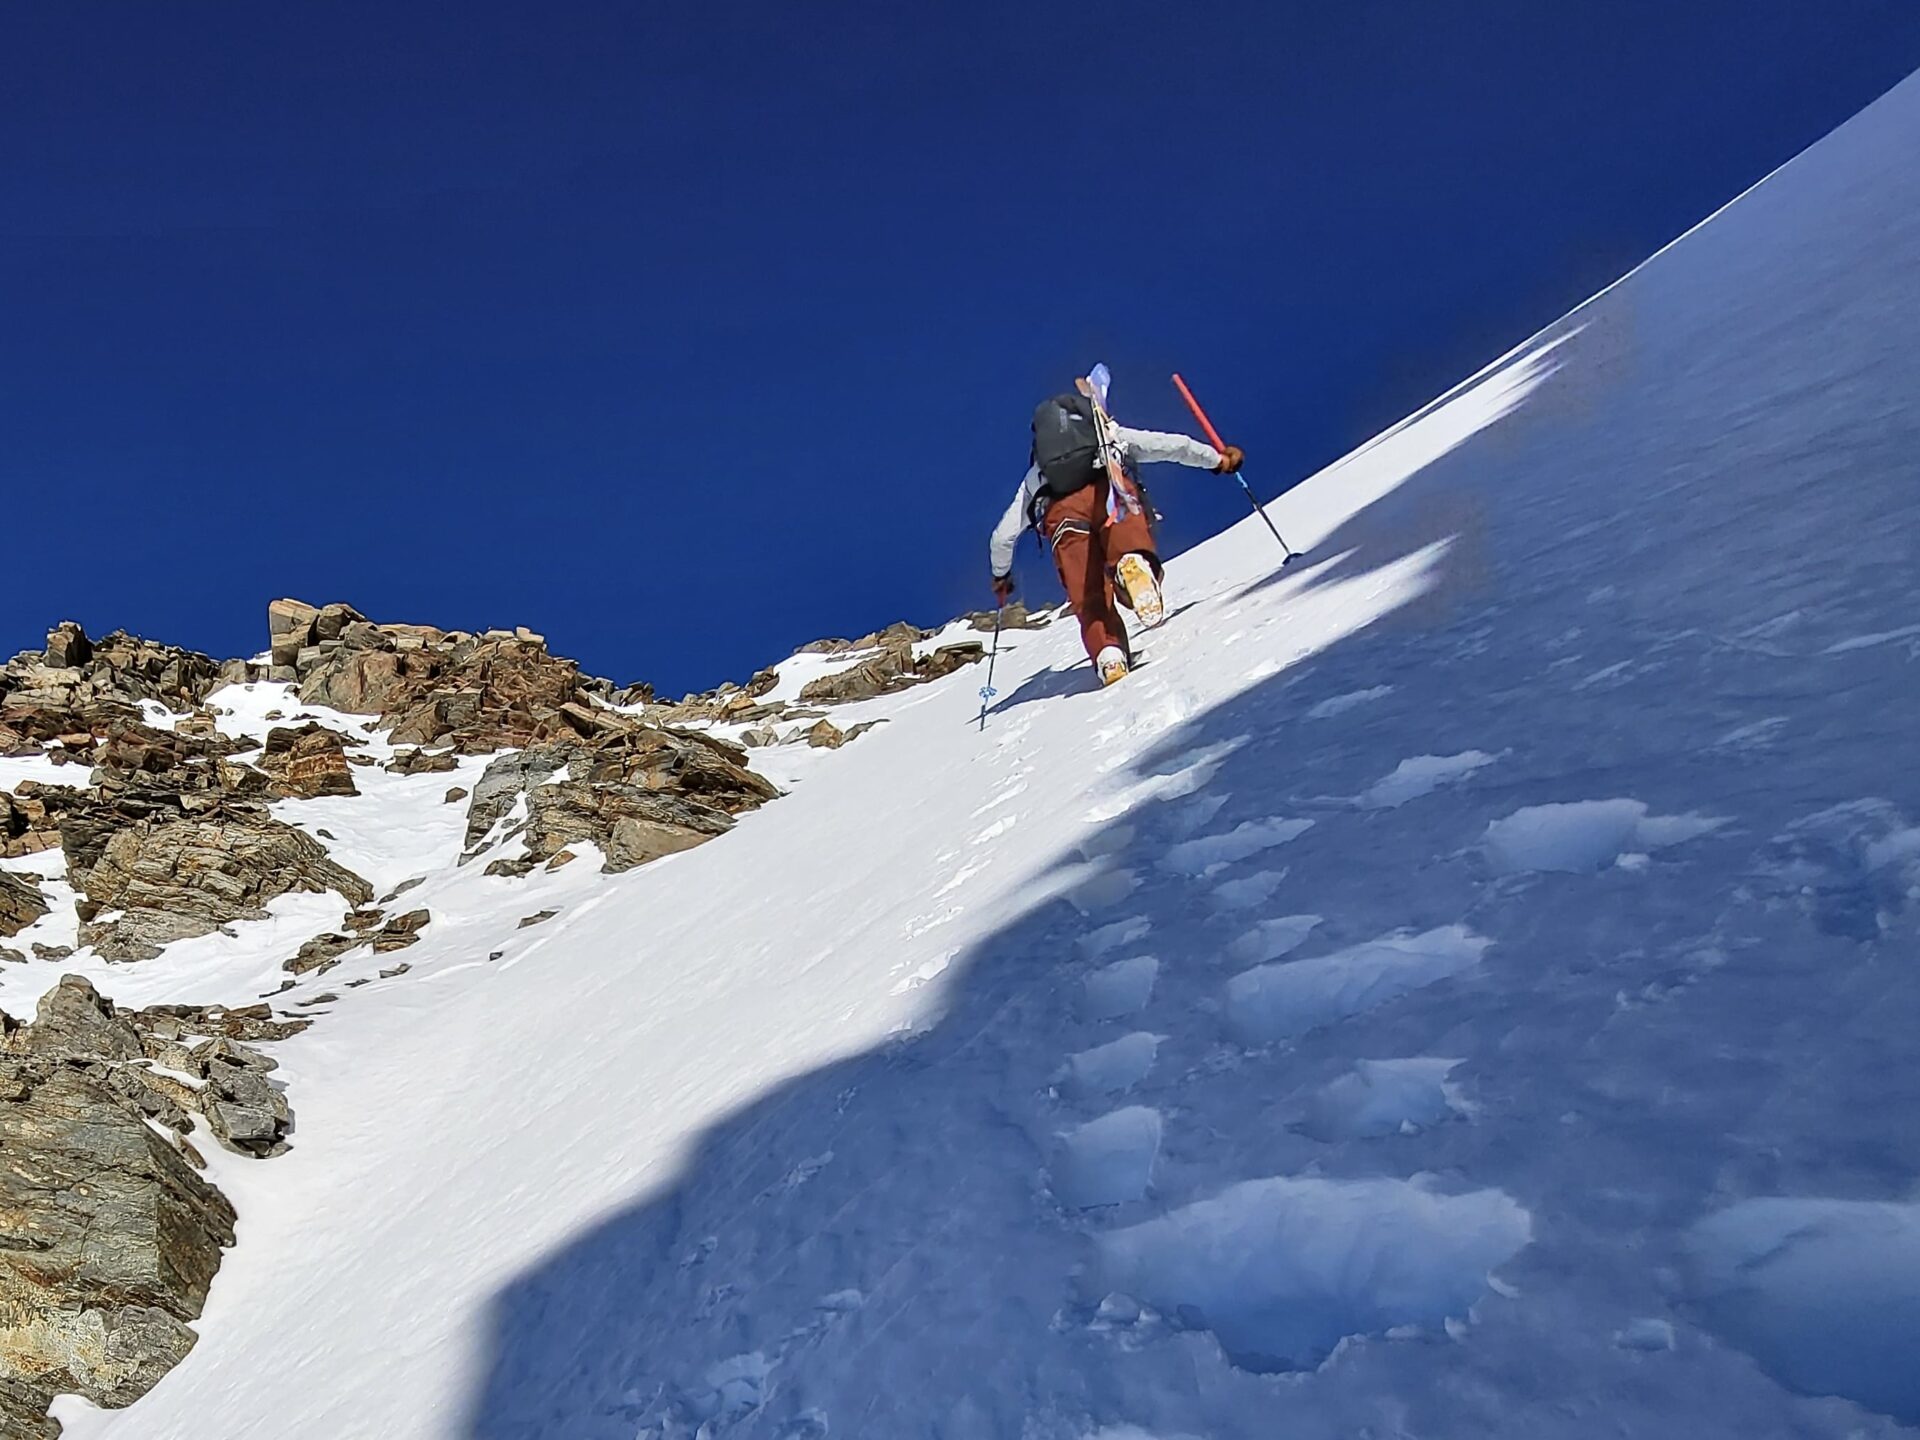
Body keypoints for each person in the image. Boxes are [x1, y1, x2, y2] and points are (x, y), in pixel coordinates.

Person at [988, 375, 1243, 686]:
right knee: (1126, 544)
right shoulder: (1110, 436)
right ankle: (1132, 565)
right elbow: (1174, 446)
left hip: (1063, 521)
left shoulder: (1037, 476)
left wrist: (1001, 576)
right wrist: (1218, 460)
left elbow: (1002, 537)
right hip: (1111, 493)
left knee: (1089, 596)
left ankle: (1108, 653)